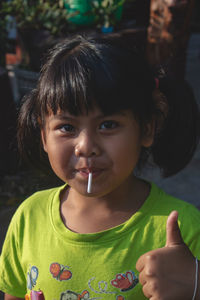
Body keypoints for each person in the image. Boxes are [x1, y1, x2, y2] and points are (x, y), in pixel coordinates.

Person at [0, 34, 200, 300]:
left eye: (108, 125)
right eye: (66, 127)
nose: (85, 146)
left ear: (147, 128)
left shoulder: (181, 229)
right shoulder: (28, 218)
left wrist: (195, 284)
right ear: (44, 135)